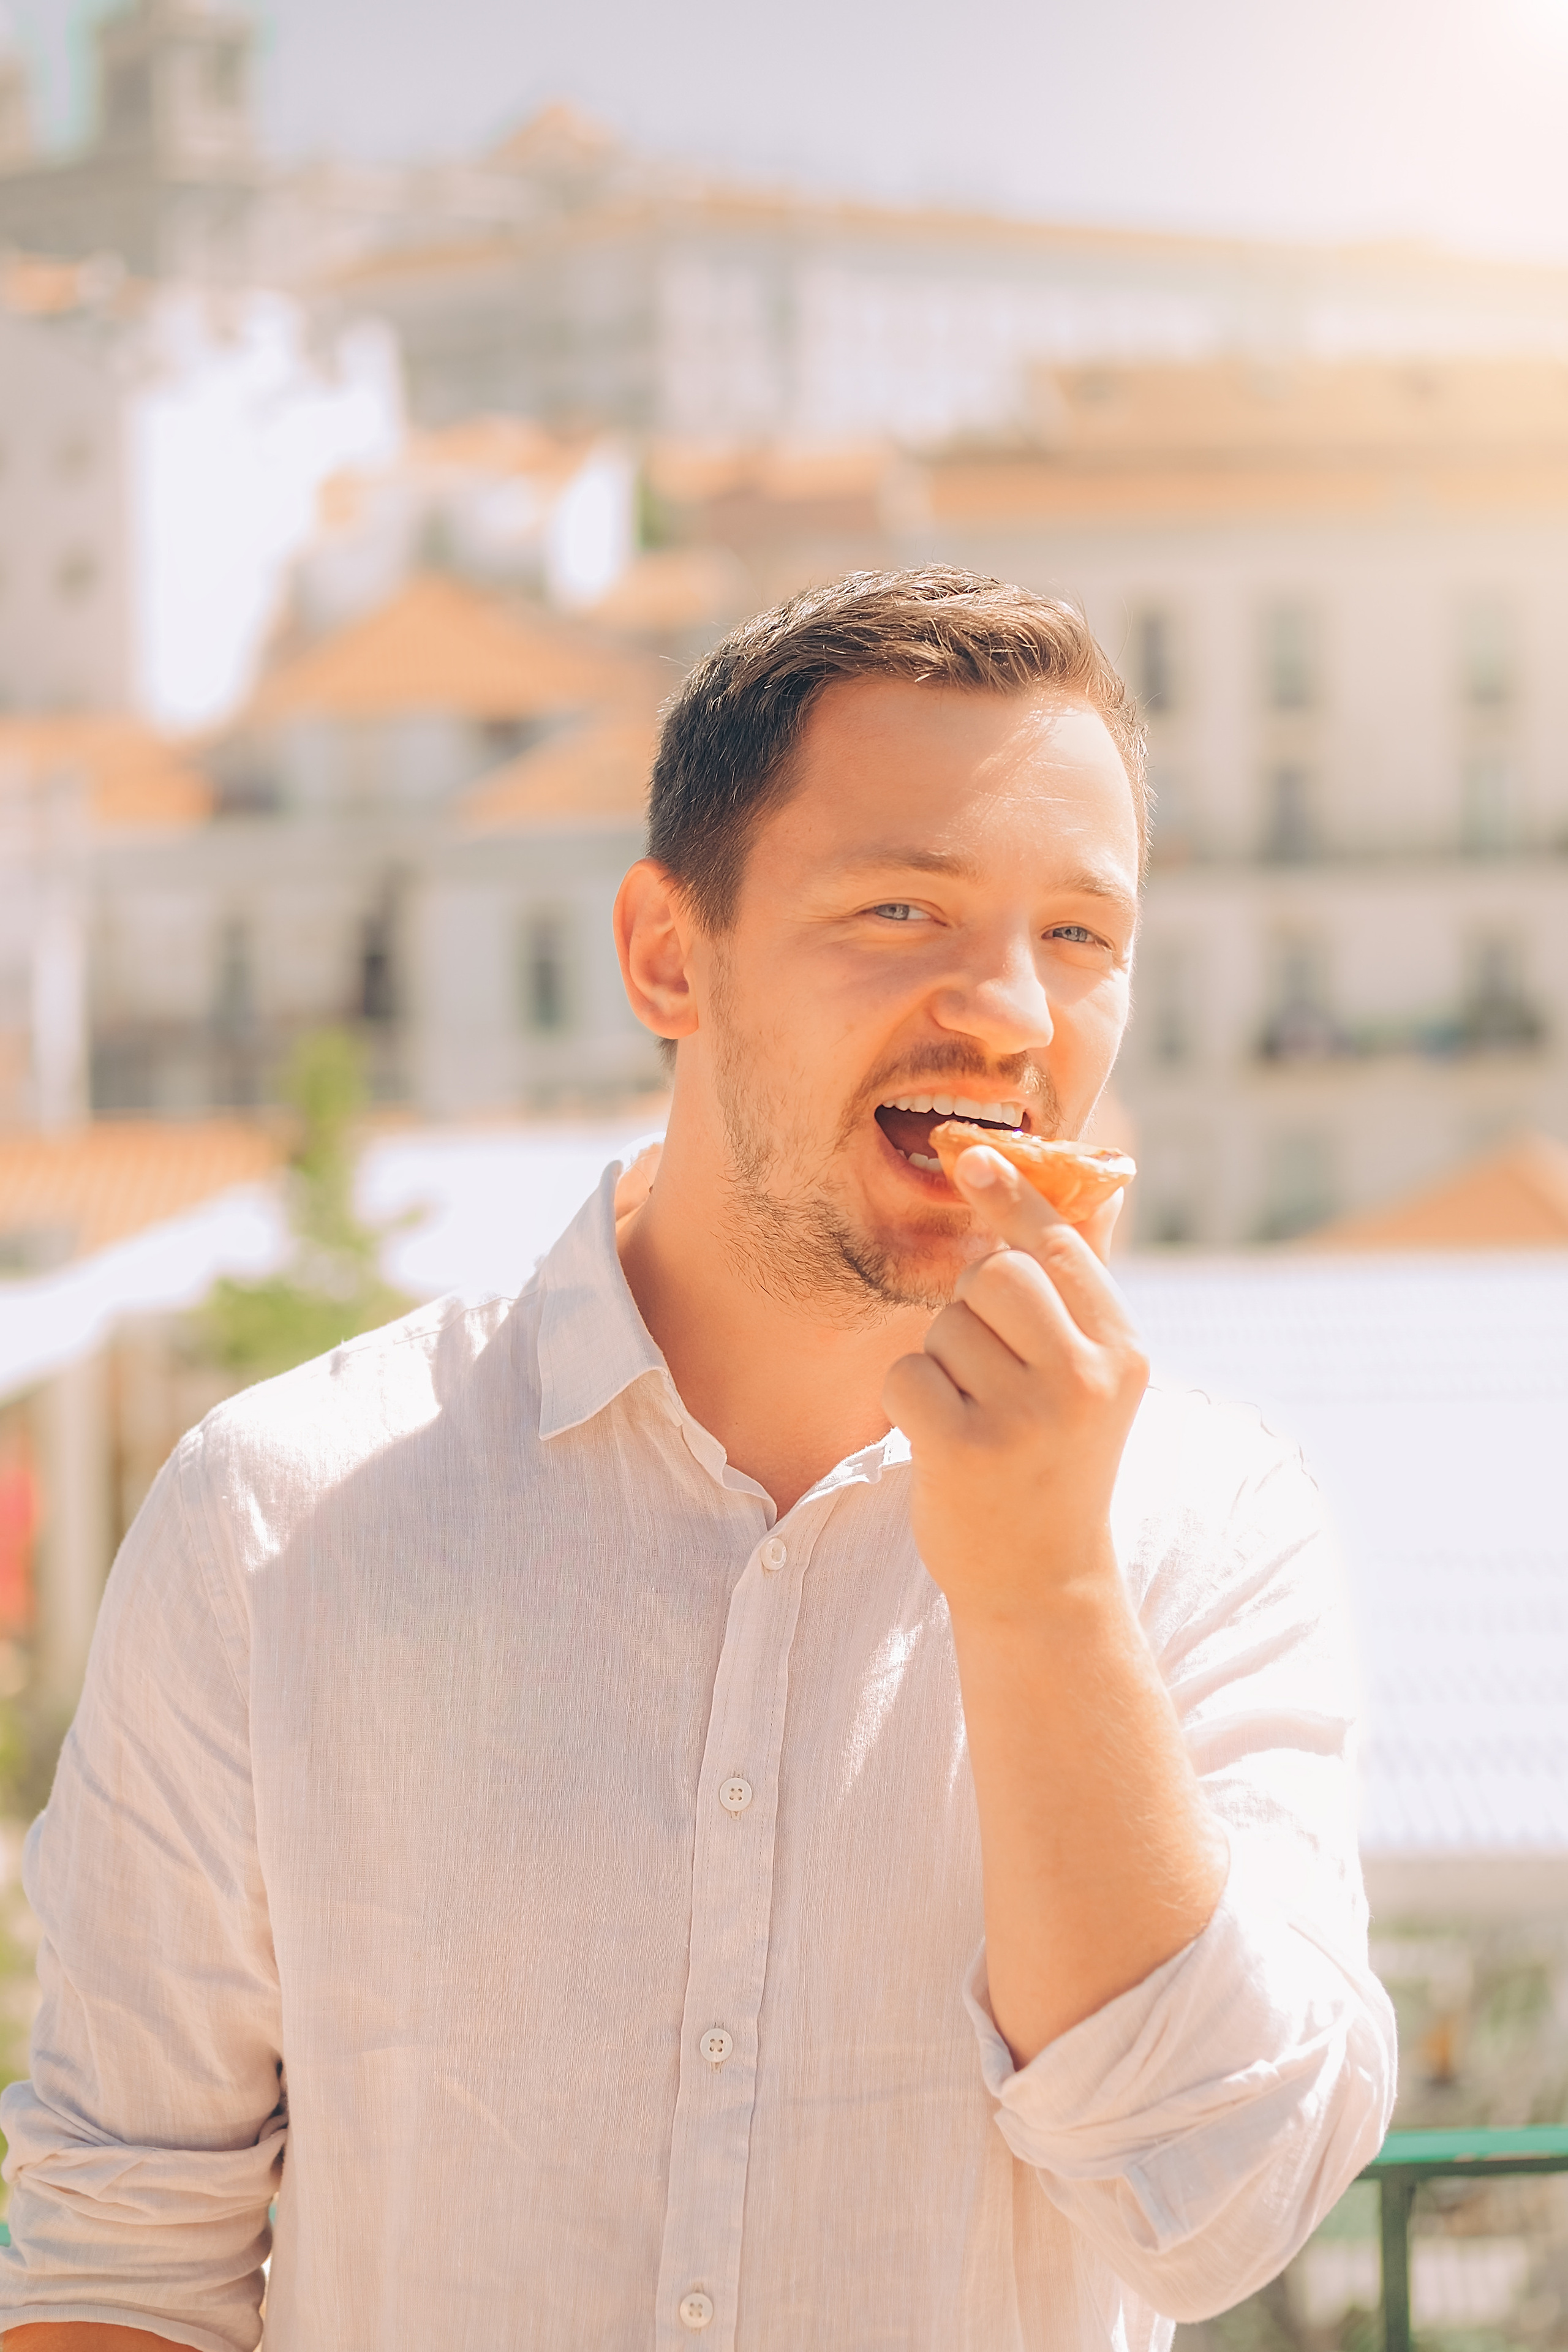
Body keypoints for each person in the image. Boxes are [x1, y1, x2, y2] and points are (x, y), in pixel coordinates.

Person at [0, 570, 1395, 2352]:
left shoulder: (1213, 1530)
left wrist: (1045, 1588)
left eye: (1080, 937)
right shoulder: (275, 1522)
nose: (1016, 1016)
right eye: (905, 908)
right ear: (671, 956)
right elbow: (127, 2266)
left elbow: (1224, 2207)